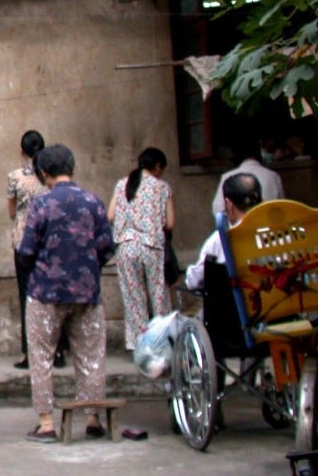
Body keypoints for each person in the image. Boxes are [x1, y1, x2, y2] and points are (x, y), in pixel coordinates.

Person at [18, 144, 114, 444]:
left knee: (42, 357)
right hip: (87, 292)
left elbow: (27, 250)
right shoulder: (93, 202)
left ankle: (46, 423)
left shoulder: (42, 204)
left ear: (44, 172)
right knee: (91, 356)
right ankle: (93, 417)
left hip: (45, 292)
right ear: (72, 167)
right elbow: (107, 247)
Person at [6, 130, 66, 369]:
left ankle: (29, 353)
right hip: (51, 242)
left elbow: (11, 212)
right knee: (55, 296)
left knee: (27, 298)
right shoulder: (50, 177)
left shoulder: (15, 177)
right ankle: (58, 352)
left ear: (22, 151)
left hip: (23, 242)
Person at [107, 147, 175, 351]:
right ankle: (163, 344)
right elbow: (170, 223)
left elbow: (110, 216)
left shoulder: (122, 185)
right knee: (159, 296)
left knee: (134, 298)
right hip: (151, 246)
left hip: (126, 247)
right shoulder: (162, 187)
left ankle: (141, 347)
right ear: (157, 167)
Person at [186, 173, 262, 291]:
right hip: (279, 305)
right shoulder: (279, 233)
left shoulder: (220, 239)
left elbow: (194, 281)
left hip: (236, 307)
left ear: (229, 204)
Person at [211, 140, 283, 216]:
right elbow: (282, 207)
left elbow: (218, 209)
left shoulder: (227, 177)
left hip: (238, 226)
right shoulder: (273, 176)